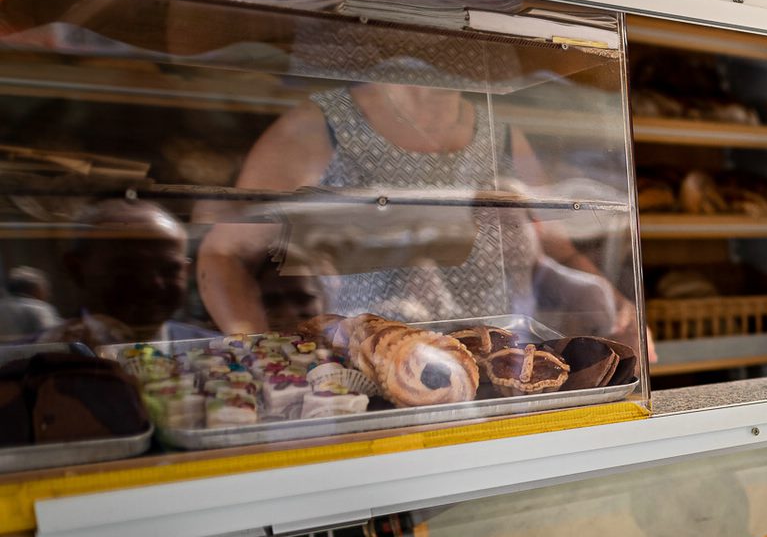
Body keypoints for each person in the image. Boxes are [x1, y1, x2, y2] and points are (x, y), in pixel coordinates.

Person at [195, 81, 639, 343]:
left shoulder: (501, 133)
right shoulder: (321, 126)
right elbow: (224, 254)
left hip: (496, 381)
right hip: (366, 393)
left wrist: (616, 305)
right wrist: (256, 355)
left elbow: (556, 251)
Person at [41, 199, 213, 348]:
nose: (153, 284)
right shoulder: (32, 358)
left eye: (169, 270)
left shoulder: (220, 351)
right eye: (130, 268)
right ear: (76, 269)